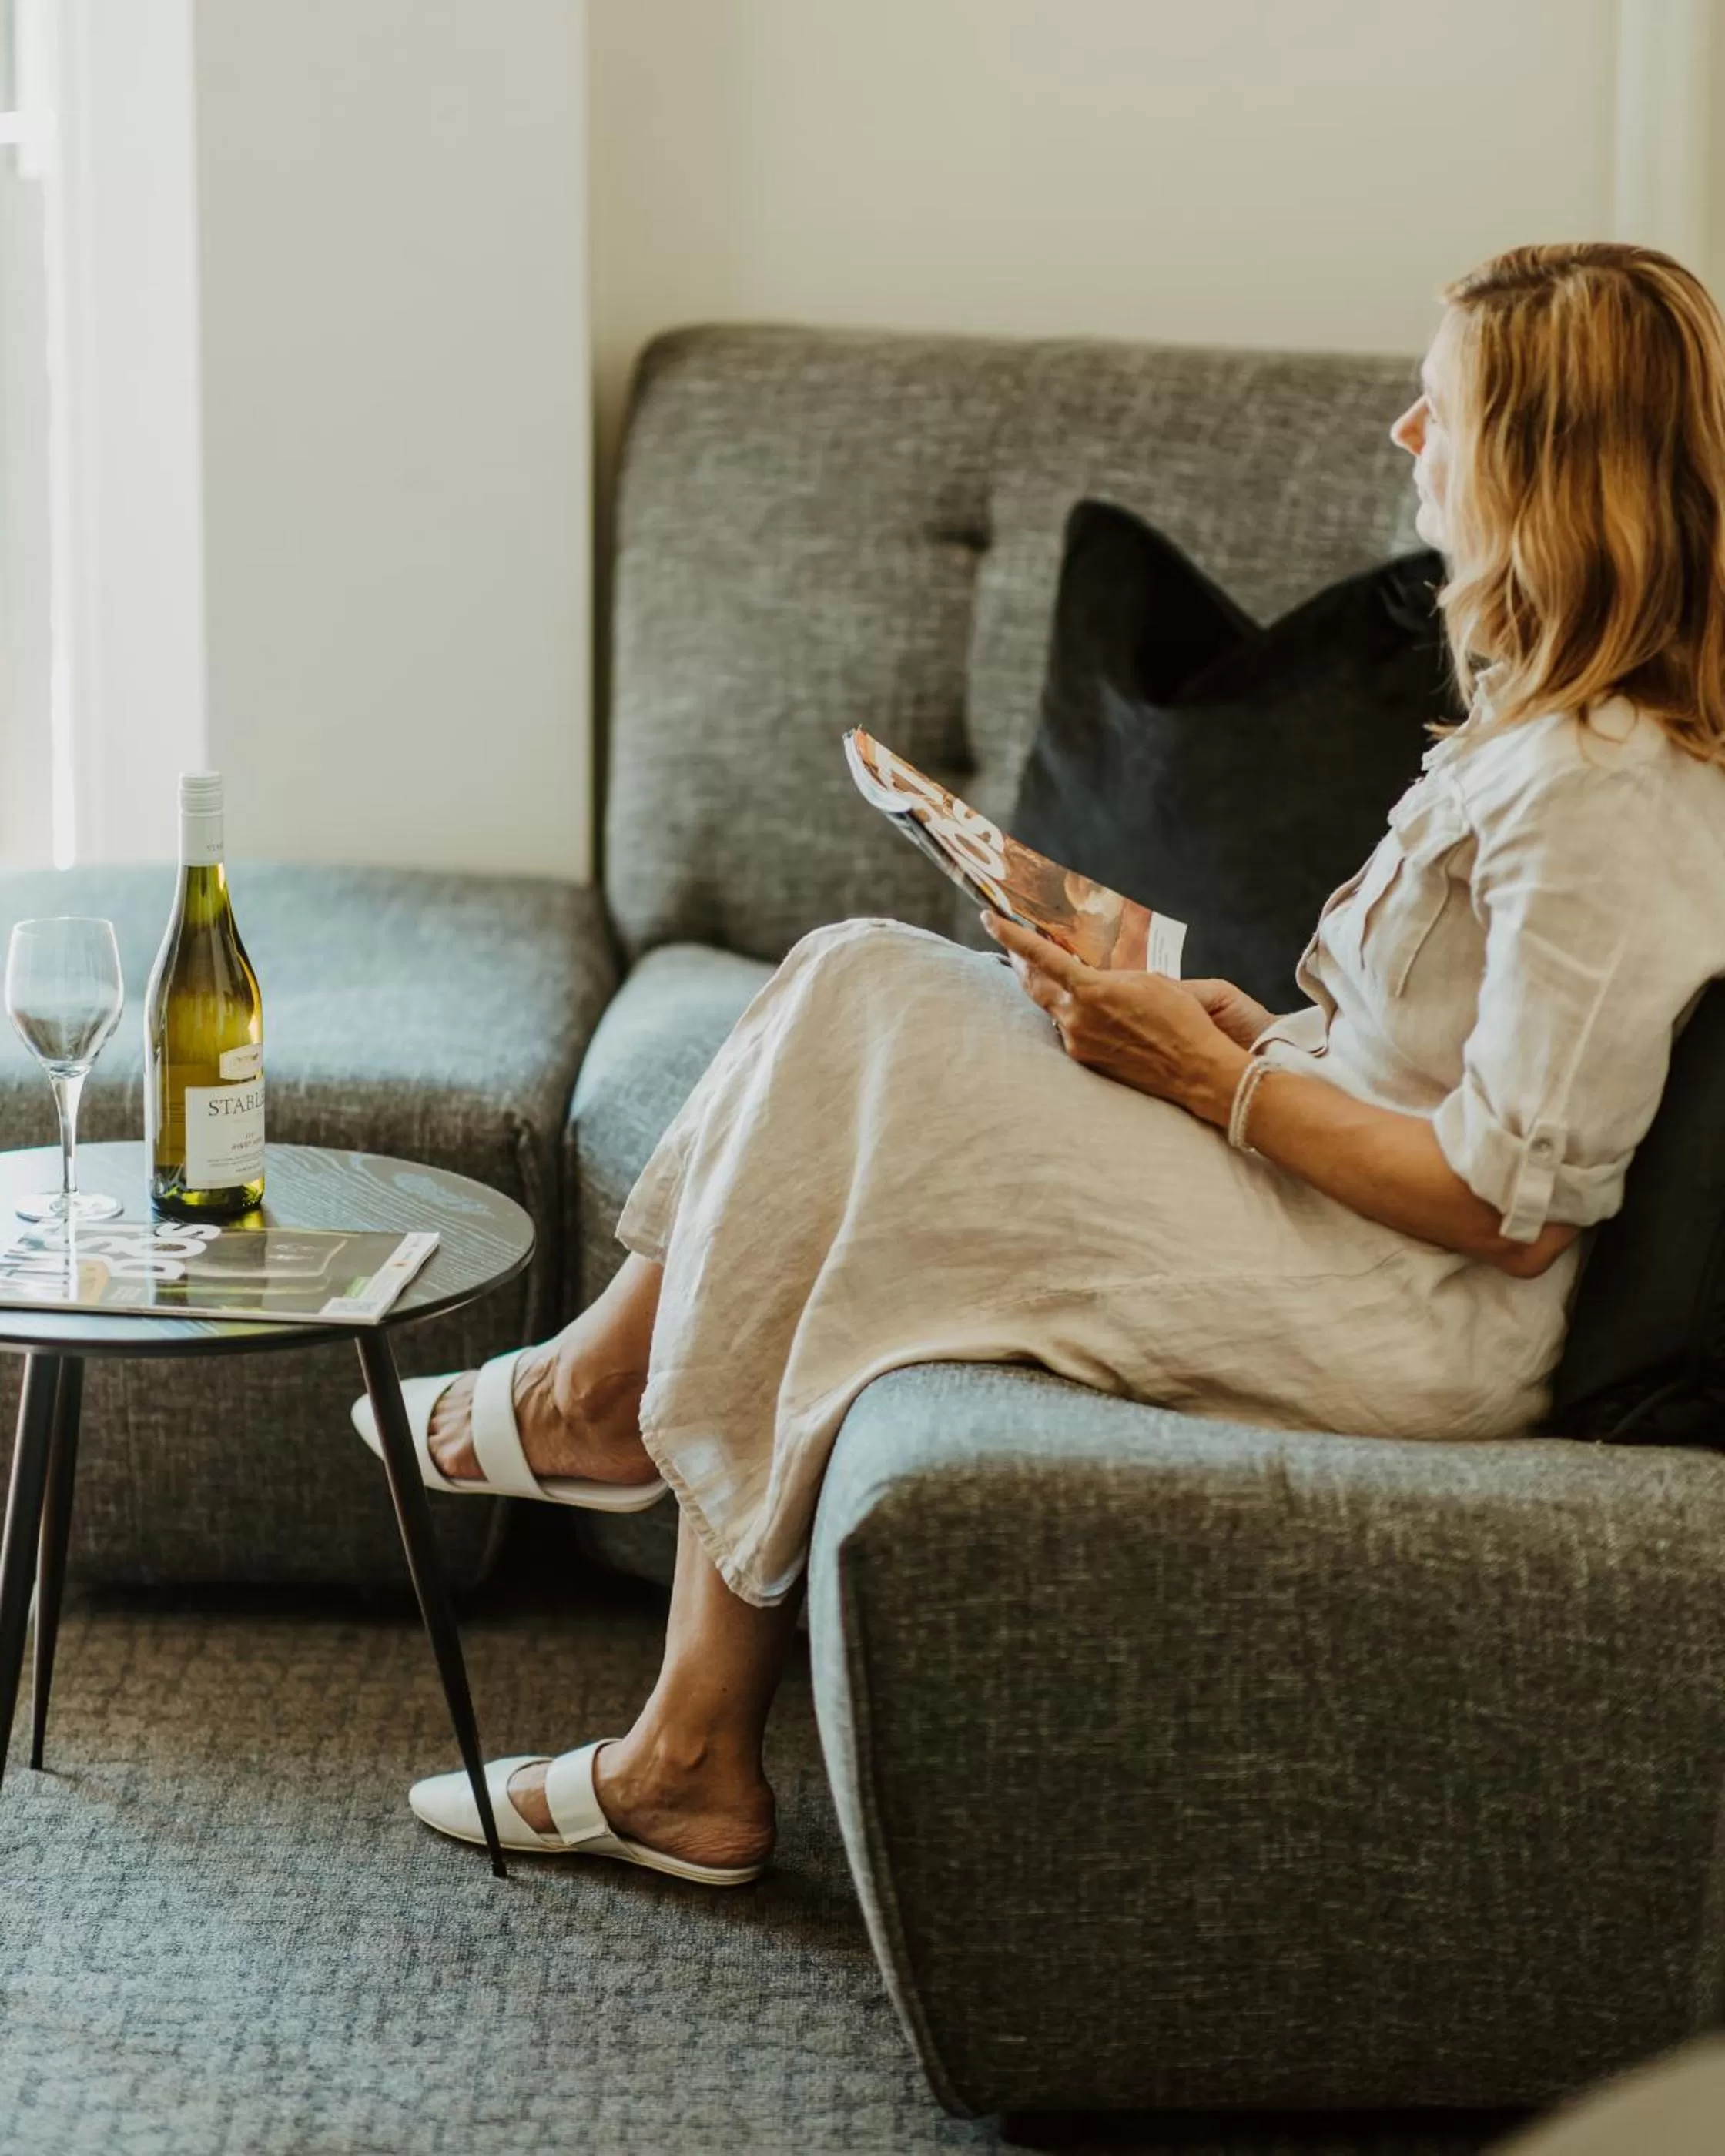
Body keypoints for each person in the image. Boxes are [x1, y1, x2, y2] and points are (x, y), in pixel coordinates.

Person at [352, 241, 1725, 1880]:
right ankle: (646, 1592)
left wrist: (1214, 1085)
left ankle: (614, 1479)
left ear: (1553, 465)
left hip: (1411, 1313)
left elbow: (1512, 1211)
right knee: (859, 979)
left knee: (874, 1044)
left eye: (1444, 410)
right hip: (1337, 1202)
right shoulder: (1544, 741)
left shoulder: (1608, 797)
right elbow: (1423, 1063)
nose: (1404, 436)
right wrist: (1236, 1032)